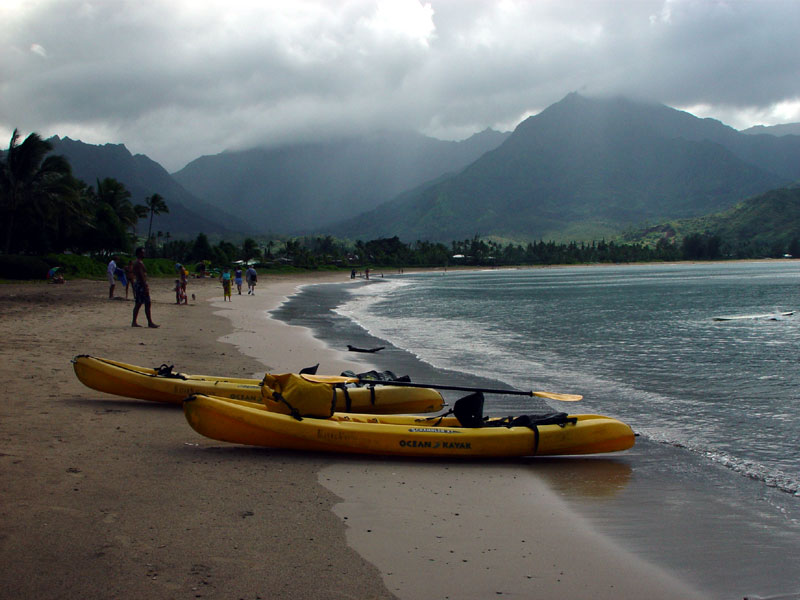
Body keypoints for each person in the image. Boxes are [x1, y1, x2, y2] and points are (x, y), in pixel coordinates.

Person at [131, 247, 159, 328]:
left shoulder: (136, 262)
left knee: (139, 303)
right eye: (143, 253)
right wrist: (145, 286)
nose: (144, 254)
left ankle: (135, 322)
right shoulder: (139, 263)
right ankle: (149, 322)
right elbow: (141, 275)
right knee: (146, 303)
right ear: (139, 253)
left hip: (139, 284)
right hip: (141, 284)